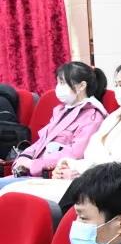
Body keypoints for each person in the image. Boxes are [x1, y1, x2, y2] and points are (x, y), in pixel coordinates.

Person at [0, 63, 121, 212]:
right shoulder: (116, 115)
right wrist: (63, 164)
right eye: (116, 84)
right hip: (84, 173)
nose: (117, 90)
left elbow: (120, 162)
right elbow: (90, 151)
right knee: (9, 190)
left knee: (11, 192)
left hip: (105, 183)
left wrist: (78, 169)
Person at [0, 62, 108, 190]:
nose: (58, 87)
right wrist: (24, 157)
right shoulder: (61, 111)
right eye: (58, 82)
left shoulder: (93, 116)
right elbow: (42, 142)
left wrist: (34, 165)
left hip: (56, 176)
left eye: (62, 83)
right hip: (37, 173)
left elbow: (75, 154)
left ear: (81, 86)